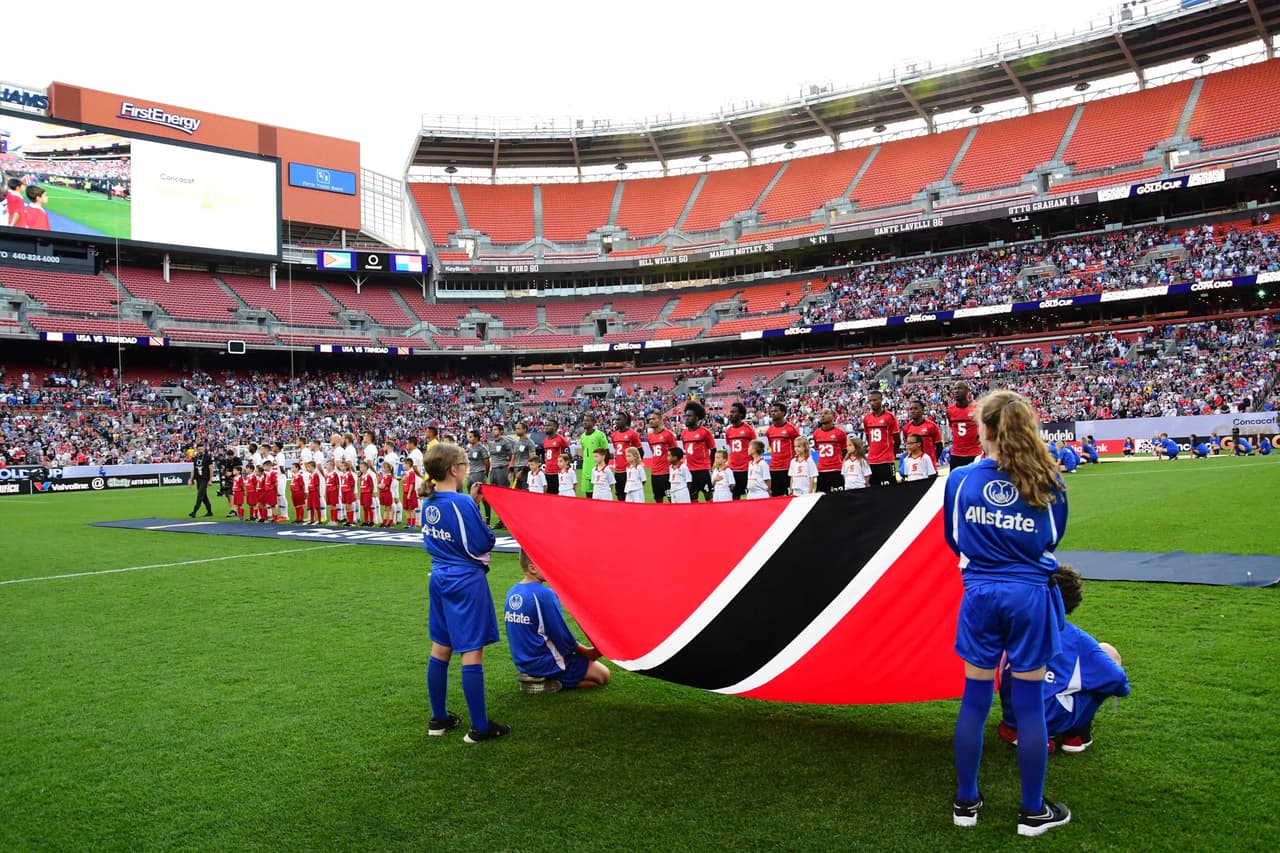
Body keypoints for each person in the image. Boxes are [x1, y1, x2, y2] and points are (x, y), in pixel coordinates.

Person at [943, 389, 1071, 837]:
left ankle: (966, 803)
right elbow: (1052, 540)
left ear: (984, 429)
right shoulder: (1049, 481)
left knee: (975, 700)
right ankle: (1032, 812)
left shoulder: (960, 480)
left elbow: (954, 538)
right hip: (1029, 597)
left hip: (980, 595)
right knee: (1030, 704)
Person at [419, 443, 510, 743]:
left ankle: (439, 718)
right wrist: (476, 510)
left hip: (439, 577)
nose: (467, 470)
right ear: (453, 470)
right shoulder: (461, 503)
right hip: (465, 580)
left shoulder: (429, 501)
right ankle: (480, 727)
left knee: (440, 646)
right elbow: (483, 542)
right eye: (464, 466)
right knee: (471, 649)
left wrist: (471, 503)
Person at [998, 564, 1130, 755]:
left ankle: (1016, 730)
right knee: (1107, 655)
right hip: (1047, 718)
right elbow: (1119, 682)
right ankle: (1076, 734)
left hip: (1013, 715)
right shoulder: (1077, 639)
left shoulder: (1015, 624)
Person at [503, 550, 610, 694]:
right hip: (545, 661)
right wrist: (585, 651)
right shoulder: (544, 594)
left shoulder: (512, 591)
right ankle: (545, 682)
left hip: (523, 662)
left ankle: (537, 676)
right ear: (532, 568)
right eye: (544, 564)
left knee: (591, 672)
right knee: (603, 675)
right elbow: (560, 635)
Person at [863, 389, 900, 487]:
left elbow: (897, 440)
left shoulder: (890, 417)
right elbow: (868, 438)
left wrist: (892, 455)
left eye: (875, 400)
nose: (872, 403)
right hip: (872, 460)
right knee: (873, 489)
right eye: (870, 401)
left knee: (890, 489)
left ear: (881, 400)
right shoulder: (866, 418)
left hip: (886, 460)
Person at [680, 401, 716, 502]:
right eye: (686, 416)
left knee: (708, 497)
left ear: (697, 418)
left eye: (690, 416)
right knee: (692, 498)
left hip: (703, 470)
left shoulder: (705, 432)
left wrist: (709, 466)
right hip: (690, 471)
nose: (687, 418)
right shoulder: (684, 434)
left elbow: (713, 450)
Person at [765, 401, 801, 498]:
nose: (773, 413)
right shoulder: (769, 430)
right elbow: (771, 445)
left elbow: (798, 445)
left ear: (783, 413)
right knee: (775, 496)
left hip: (787, 467)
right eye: (772, 411)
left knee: (790, 495)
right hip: (773, 468)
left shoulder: (791, 429)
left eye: (776, 411)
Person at [725, 401, 756, 499]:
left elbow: (755, 448)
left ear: (741, 414)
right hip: (732, 468)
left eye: (734, 412)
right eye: (730, 412)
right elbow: (730, 448)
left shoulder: (749, 430)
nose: (730, 414)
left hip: (746, 468)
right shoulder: (728, 431)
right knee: (734, 495)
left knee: (750, 495)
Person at [811, 408, 847, 493]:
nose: (822, 415)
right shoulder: (816, 434)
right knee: (821, 497)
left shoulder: (840, 433)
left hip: (836, 471)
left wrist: (841, 464)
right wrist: (817, 465)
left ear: (833, 416)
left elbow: (845, 451)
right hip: (821, 472)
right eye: (821, 413)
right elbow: (816, 450)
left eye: (826, 413)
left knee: (840, 497)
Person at [947, 383, 981, 469]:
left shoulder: (977, 408)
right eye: (955, 389)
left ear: (967, 391)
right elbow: (952, 426)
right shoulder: (950, 410)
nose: (956, 391)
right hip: (957, 454)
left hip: (975, 453)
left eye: (959, 388)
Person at [645, 412, 677, 504]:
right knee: (658, 499)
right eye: (650, 419)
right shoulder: (650, 437)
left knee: (671, 498)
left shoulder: (668, 434)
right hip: (655, 473)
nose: (651, 421)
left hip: (667, 472)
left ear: (660, 420)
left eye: (653, 419)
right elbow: (653, 451)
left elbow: (675, 452)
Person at [610, 413, 643, 500]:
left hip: (629, 470)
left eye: (619, 419)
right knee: (620, 495)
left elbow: (640, 451)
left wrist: (635, 466)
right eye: (616, 419)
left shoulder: (632, 434)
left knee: (631, 495)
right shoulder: (614, 435)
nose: (616, 421)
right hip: (618, 471)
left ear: (625, 421)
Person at [902, 399, 944, 469]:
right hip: (914, 466)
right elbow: (908, 447)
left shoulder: (931, 426)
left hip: (929, 466)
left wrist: (934, 460)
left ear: (922, 410)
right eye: (911, 409)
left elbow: (939, 446)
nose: (913, 411)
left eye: (916, 409)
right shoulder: (906, 428)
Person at [577, 413, 610, 497]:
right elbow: (585, 452)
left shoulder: (599, 435)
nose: (585, 422)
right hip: (586, 469)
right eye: (584, 420)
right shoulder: (582, 436)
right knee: (588, 495)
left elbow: (606, 452)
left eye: (587, 420)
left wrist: (603, 468)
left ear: (593, 423)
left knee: (598, 495)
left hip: (597, 470)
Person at [465, 431, 492, 524]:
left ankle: (488, 521)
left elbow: (487, 462)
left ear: (476, 438)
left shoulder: (481, 448)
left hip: (479, 474)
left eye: (471, 437)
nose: (469, 438)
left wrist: (485, 473)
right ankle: (477, 519)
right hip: (471, 474)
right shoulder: (470, 448)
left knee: (483, 497)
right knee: (473, 498)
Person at [541, 419, 569, 498]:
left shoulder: (561, 439)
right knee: (548, 496)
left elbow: (568, 455)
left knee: (559, 496)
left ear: (555, 427)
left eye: (549, 425)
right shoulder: (545, 441)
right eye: (546, 425)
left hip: (558, 473)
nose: (546, 427)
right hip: (547, 472)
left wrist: (565, 469)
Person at [188, 442, 213, 518]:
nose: (200, 450)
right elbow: (193, 469)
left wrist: (210, 480)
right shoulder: (195, 458)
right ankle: (209, 512)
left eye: (201, 449)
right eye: (199, 449)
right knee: (204, 496)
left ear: (204, 449)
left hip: (204, 479)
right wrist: (191, 479)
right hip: (198, 479)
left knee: (200, 495)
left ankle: (194, 511)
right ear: (197, 450)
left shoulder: (207, 457)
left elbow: (211, 469)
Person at [510, 423, 536, 491]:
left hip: (525, 470)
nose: (516, 430)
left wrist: (522, 471)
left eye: (518, 429)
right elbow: (513, 458)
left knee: (525, 491)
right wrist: (511, 471)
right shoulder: (515, 443)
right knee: (516, 491)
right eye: (516, 429)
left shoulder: (530, 442)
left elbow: (532, 459)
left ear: (524, 430)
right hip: (516, 470)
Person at [358, 460, 377, 526]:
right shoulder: (361, 476)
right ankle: (366, 521)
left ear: (366, 467)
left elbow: (371, 485)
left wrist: (370, 493)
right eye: (360, 467)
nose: (360, 469)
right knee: (364, 508)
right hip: (362, 493)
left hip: (367, 494)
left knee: (368, 507)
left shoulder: (368, 476)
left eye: (361, 467)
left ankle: (371, 521)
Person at [339, 460, 357, 527]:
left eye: (342, 466)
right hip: (344, 492)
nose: (340, 467)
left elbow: (352, 484)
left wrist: (351, 493)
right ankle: (348, 520)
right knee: (346, 507)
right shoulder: (342, 475)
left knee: (349, 506)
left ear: (346, 467)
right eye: (340, 466)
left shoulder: (349, 474)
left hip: (348, 492)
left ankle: (351, 521)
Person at [378, 462, 395, 527]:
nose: (382, 468)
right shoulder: (383, 476)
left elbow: (382, 486)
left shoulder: (389, 476)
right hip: (382, 493)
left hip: (387, 493)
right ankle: (384, 522)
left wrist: (379, 485)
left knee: (389, 508)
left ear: (387, 469)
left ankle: (390, 522)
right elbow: (379, 484)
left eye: (383, 467)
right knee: (385, 508)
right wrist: (379, 485)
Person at [402, 463, 419, 528]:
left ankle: (413, 524)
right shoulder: (405, 473)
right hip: (405, 493)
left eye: (404, 464)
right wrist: (403, 479)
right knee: (407, 509)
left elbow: (412, 484)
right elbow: (404, 482)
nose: (403, 466)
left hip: (410, 493)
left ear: (408, 464)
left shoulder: (411, 473)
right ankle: (408, 523)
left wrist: (409, 493)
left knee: (411, 509)